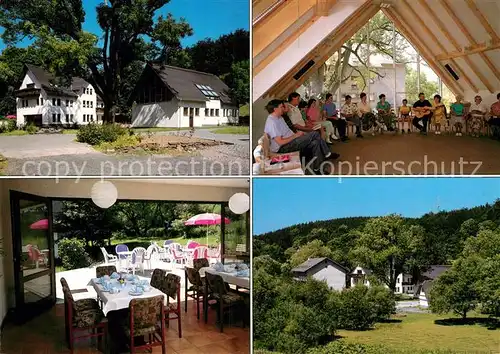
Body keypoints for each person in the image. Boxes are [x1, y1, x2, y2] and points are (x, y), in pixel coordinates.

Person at [264, 99, 339, 174]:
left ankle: (317, 169)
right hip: (283, 148)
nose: (283, 108)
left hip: (291, 141)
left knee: (315, 143)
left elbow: (288, 132)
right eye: (281, 107)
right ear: (275, 109)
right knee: (314, 134)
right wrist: (296, 136)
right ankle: (327, 153)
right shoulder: (272, 122)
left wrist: (298, 135)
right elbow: (280, 142)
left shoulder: (279, 117)